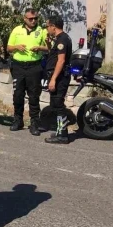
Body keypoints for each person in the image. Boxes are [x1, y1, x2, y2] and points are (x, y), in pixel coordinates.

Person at [6, 8, 48, 136]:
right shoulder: (17, 30)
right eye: (30, 19)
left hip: (34, 67)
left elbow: (49, 48)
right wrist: (16, 47)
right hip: (18, 66)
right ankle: (18, 120)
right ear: (25, 19)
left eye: (35, 19)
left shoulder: (42, 31)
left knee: (34, 95)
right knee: (18, 95)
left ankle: (34, 122)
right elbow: (8, 48)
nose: (33, 21)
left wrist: (40, 48)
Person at [43, 14, 73, 145]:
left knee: (58, 105)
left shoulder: (62, 40)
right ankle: (61, 131)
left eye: (47, 26)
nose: (46, 29)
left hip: (60, 78)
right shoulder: (60, 39)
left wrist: (53, 79)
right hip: (58, 77)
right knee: (56, 104)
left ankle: (62, 134)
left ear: (53, 26)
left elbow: (61, 61)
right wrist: (49, 45)